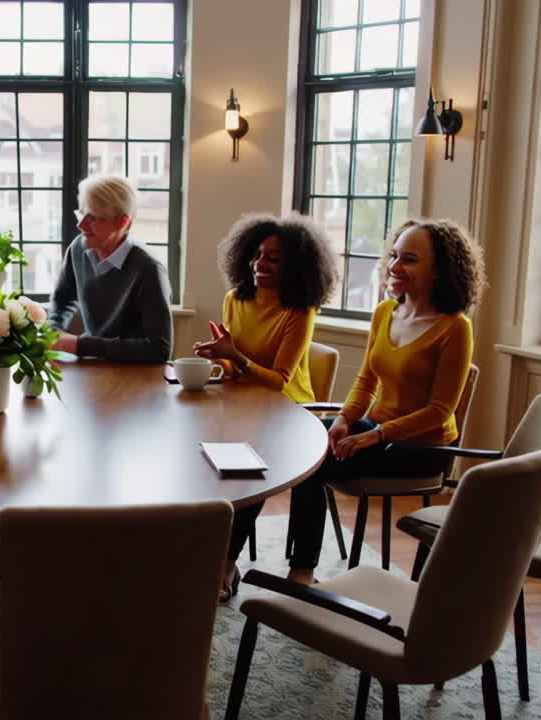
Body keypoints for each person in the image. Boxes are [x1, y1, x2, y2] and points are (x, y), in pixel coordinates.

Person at [286, 219, 486, 585]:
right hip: (377, 431)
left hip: (422, 447)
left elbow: (440, 411)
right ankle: (275, 564)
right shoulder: (385, 312)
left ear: (439, 270)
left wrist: (374, 435)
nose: (394, 266)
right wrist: (345, 420)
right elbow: (366, 380)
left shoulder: (455, 327)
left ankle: (302, 571)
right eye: (394, 256)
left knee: (316, 462)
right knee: (306, 443)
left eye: (409, 259)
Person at [192, 214, 338, 602]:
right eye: (257, 255)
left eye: (273, 258)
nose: (261, 264)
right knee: (218, 460)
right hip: (244, 407)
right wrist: (218, 359)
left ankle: (297, 569)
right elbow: (233, 366)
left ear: (295, 266)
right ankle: (219, 556)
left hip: (293, 412)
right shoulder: (235, 299)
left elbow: (279, 380)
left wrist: (234, 357)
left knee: (253, 470)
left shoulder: (299, 310)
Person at [48, 175, 173, 363]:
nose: (81, 225)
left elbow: (159, 349)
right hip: (94, 367)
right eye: (81, 214)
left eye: (92, 218)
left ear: (122, 222)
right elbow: (63, 299)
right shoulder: (77, 249)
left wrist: (79, 345)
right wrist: (52, 331)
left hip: (137, 373)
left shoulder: (149, 269)